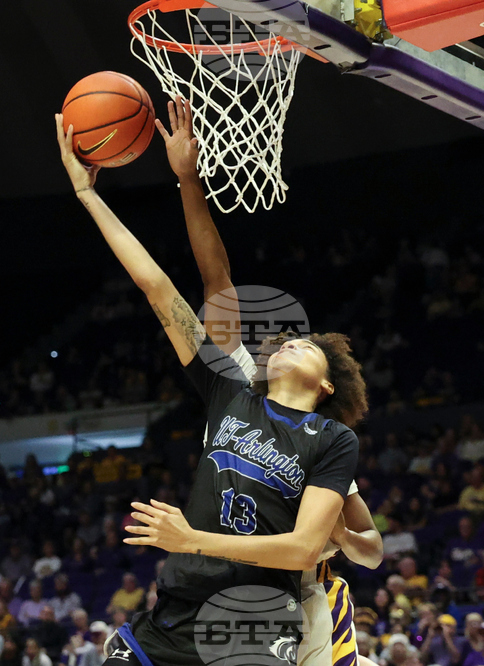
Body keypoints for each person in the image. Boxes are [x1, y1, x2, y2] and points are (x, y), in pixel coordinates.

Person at [56, 101, 365, 666]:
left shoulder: (331, 439)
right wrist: (89, 195)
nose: (288, 341)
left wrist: (189, 539)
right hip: (180, 602)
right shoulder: (233, 388)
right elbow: (160, 288)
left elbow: (307, 548)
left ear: (328, 386)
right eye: (284, 340)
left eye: (305, 344)